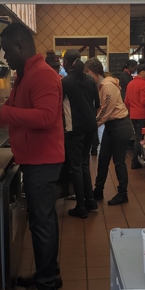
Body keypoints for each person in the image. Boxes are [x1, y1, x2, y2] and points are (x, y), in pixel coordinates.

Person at [0, 23, 64, 290]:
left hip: (44, 160)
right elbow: (17, 112)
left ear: (20, 46)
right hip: (34, 158)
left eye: (6, 51)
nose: (5, 57)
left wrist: (2, 111)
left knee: (42, 223)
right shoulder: (24, 75)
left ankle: (46, 286)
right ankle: (49, 274)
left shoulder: (42, 75)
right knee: (43, 221)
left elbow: (46, 117)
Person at [84, 57, 134, 206]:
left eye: (87, 73)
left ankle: (122, 194)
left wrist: (92, 125)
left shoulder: (108, 85)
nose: (86, 76)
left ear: (92, 72)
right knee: (103, 159)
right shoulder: (101, 85)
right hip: (112, 127)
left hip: (120, 126)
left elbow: (105, 111)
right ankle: (98, 190)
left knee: (119, 162)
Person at [61, 50, 100, 218]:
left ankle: (81, 207)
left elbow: (59, 108)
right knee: (84, 164)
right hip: (91, 127)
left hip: (74, 129)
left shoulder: (65, 83)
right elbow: (96, 104)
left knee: (76, 166)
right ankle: (90, 201)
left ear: (67, 62)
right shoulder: (90, 79)